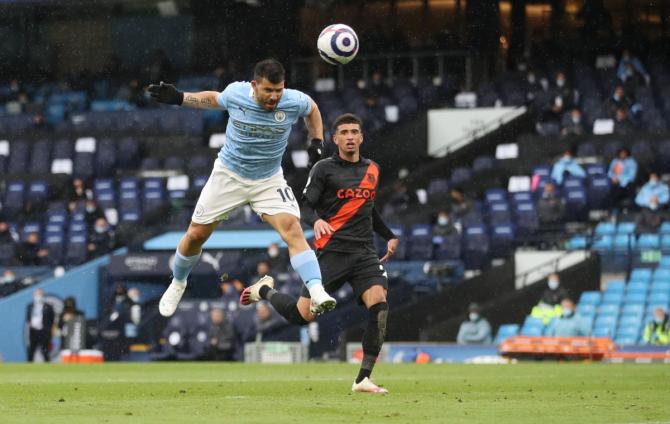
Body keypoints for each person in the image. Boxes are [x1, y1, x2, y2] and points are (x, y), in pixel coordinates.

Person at [148, 59, 336, 317]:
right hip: (229, 176)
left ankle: (317, 290)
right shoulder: (237, 93)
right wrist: (180, 97)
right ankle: (178, 282)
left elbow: (312, 109)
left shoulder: (294, 100)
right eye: (268, 90)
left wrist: (317, 140)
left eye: (278, 90)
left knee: (292, 228)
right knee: (195, 236)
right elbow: (214, 99)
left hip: (268, 180)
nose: (274, 97)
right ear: (254, 85)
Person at [240, 113, 398, 393]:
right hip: (331, 253)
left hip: (364, 253)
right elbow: (304, 206)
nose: (350, 137)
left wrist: (389, 235)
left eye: (354, 132)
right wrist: (317, 221)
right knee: (302, 316)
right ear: (335, 138)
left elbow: (367, 208)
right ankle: (265, 291)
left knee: (379, 304)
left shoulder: (373, 169)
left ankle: (363, 378)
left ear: (361, 137)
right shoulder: (324, 169)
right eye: (344, 132)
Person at [25, 288, 55, 362]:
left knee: (44, 351)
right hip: (33, 331)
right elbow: (28, 318)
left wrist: (49, 331)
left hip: (44, 331)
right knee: (31, 350)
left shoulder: (48, 307)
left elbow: (52, 320)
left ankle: (48, 368)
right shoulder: (30, 306)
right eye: (36, 294)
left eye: (40, 294)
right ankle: (28, 368)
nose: (38, 296)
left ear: (43, 295)